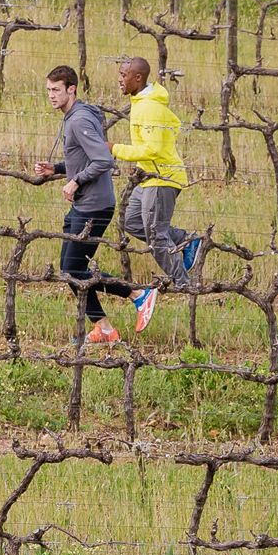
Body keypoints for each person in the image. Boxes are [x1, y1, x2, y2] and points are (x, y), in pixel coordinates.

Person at [33, 64, 154, 344]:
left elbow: (103, 160)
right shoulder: (76, 115)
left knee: (73, 270)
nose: (50, 95)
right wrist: (59, 168)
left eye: (56, 90)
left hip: (94, 206)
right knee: (70, 270)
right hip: (85, 205)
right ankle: (105, 328)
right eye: (48, 90)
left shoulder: (78, 120)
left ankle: (138, 295)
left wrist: (75, 182)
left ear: (71, 89)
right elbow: (84, 158)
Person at [108, 56, 203, 299]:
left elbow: (153, 149)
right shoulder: (141, 101)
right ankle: (186, 239)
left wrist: (115, 149)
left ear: (137, 78)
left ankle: (184, 285)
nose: (119, 79)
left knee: (157, 237)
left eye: (123, 75)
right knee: (131, 222)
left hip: (162, 178)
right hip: (149, 177)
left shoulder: (149, 107)